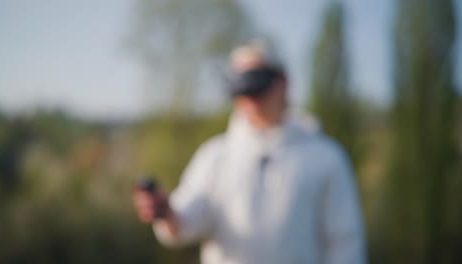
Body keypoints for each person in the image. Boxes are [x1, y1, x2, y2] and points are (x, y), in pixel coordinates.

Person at [133, 40, 366, 264]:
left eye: (258, 85)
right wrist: (167, 213)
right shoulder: (215, 155)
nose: (251, 98)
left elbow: (344, 243)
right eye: (241, 87)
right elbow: (188, 217)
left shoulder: (326, 157)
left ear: (283, 83)